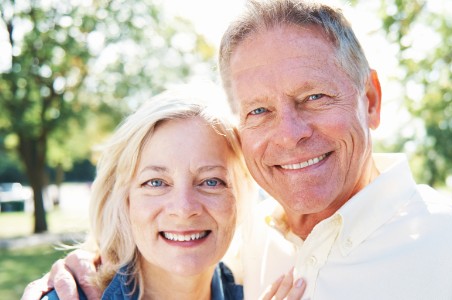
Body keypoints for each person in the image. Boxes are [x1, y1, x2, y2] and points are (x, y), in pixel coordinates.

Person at [24, 0, 452, 299]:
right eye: (258, 111)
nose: (290, 133)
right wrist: (86, 271)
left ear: (371, 100)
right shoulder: (241, 243)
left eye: (314, 97)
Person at [30, 87, 305, 300]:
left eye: (210, 182)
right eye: (156, 183)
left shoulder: (266, 288)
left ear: (240, 196)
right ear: (125, 200)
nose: (184, 208)